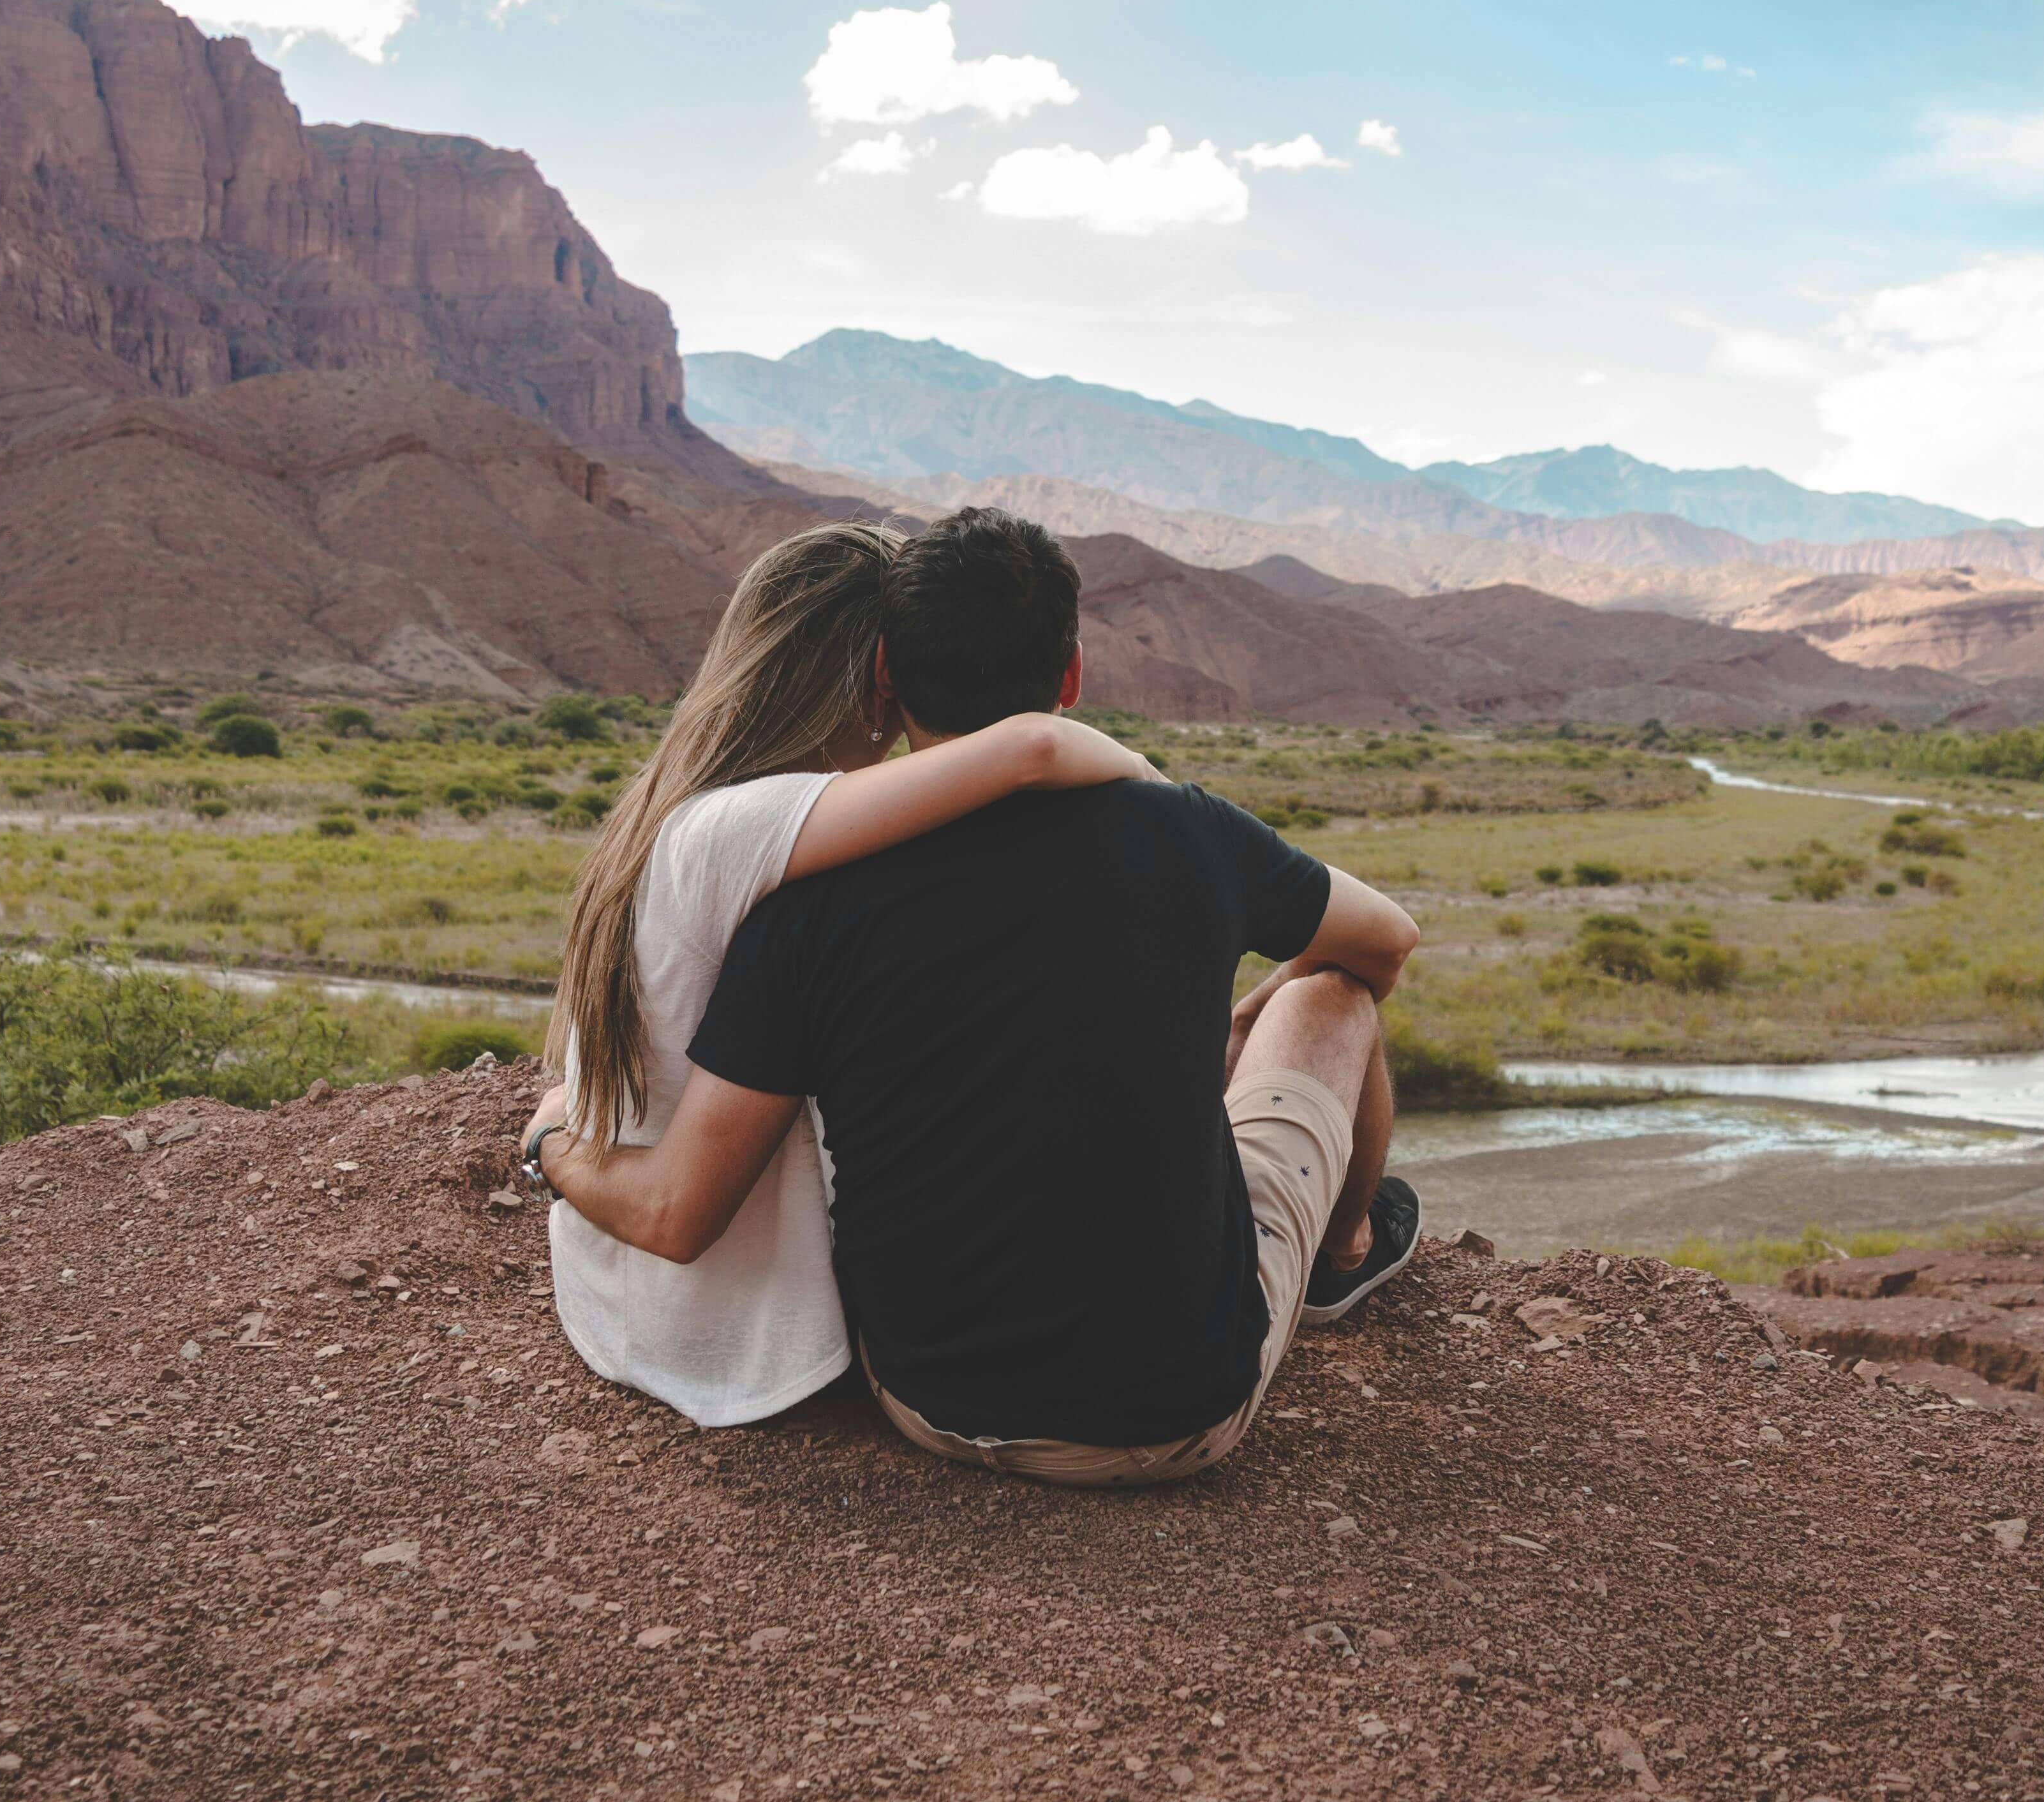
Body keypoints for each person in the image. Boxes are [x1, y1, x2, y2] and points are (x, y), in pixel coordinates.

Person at [525, 507, 1423, 1485]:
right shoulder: (1186, 831)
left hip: (920, 1401)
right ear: (1071, 675)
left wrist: (554, 1136)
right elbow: (1387, 940)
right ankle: (1346, 1248)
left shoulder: (801, 901)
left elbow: (684, 1200)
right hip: (1177, 1420)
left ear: (887, 678)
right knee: (1333, 993)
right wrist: (1253, 992)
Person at [539, 519, 1165, 1429]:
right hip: (739, 1335)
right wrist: (1154, 790)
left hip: (650, 1301)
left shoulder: (684, 814)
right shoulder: (748, 825)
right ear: (883, 674)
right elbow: (1032, 750)